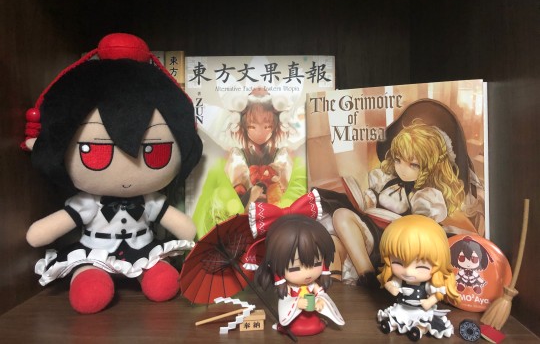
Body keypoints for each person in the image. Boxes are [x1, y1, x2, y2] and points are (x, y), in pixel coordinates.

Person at [23, 33, 203, 314]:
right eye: (94, 152)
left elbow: (187, 230)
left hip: (144, 250)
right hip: (95, 253)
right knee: (91, 288)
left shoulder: (150, 201)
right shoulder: (88, 203)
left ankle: (150, 275)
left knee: (162, 281)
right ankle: (89, 278)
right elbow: (40, 234)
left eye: (155, 152)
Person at [320, 100, 482, 285]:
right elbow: (372, 196)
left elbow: (421, 228)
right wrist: (368, 201)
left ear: (430, 167)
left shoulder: (426, 196)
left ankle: (371, 278)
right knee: (340, 216)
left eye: (413, 165)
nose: (402, 169)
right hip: (372, 230)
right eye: (398, 160)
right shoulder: (385, 178)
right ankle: (367, 274)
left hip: (399, 242)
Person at [192, 88, 306, 238]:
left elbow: (287, 191)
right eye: (252, 126)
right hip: (244, 220)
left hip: (276, 221)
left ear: (275, 126)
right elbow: (233, 193)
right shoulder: (237, 157)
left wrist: (272, 188)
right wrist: (250, 194)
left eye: (267, 126)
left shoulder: (282, 155)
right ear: (243, 127)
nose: (260, 132)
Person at [256, 214, 344, 336]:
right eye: (295, 268)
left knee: (314, 325)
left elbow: (321, 295)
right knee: (297, 328)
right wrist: (297, 304)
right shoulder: (289, 288)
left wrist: (319, 302)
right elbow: (286, 302)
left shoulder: (313, 285)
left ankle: (318, 323)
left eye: (316, 263)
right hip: (296, 318)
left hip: (311, 315)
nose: (307, 273)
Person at [377, 215, 460, 341]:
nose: (408, 272)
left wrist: (429, 302)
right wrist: (391, 288)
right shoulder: (399, 280)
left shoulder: (427, 285)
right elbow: (390, 284)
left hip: (420, 310)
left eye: (421, 266)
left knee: (422, 322)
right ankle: (391, 325)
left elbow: (438, 294)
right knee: (396, 318)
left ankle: (418, 330)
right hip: (402, 308)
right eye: (398, 263)